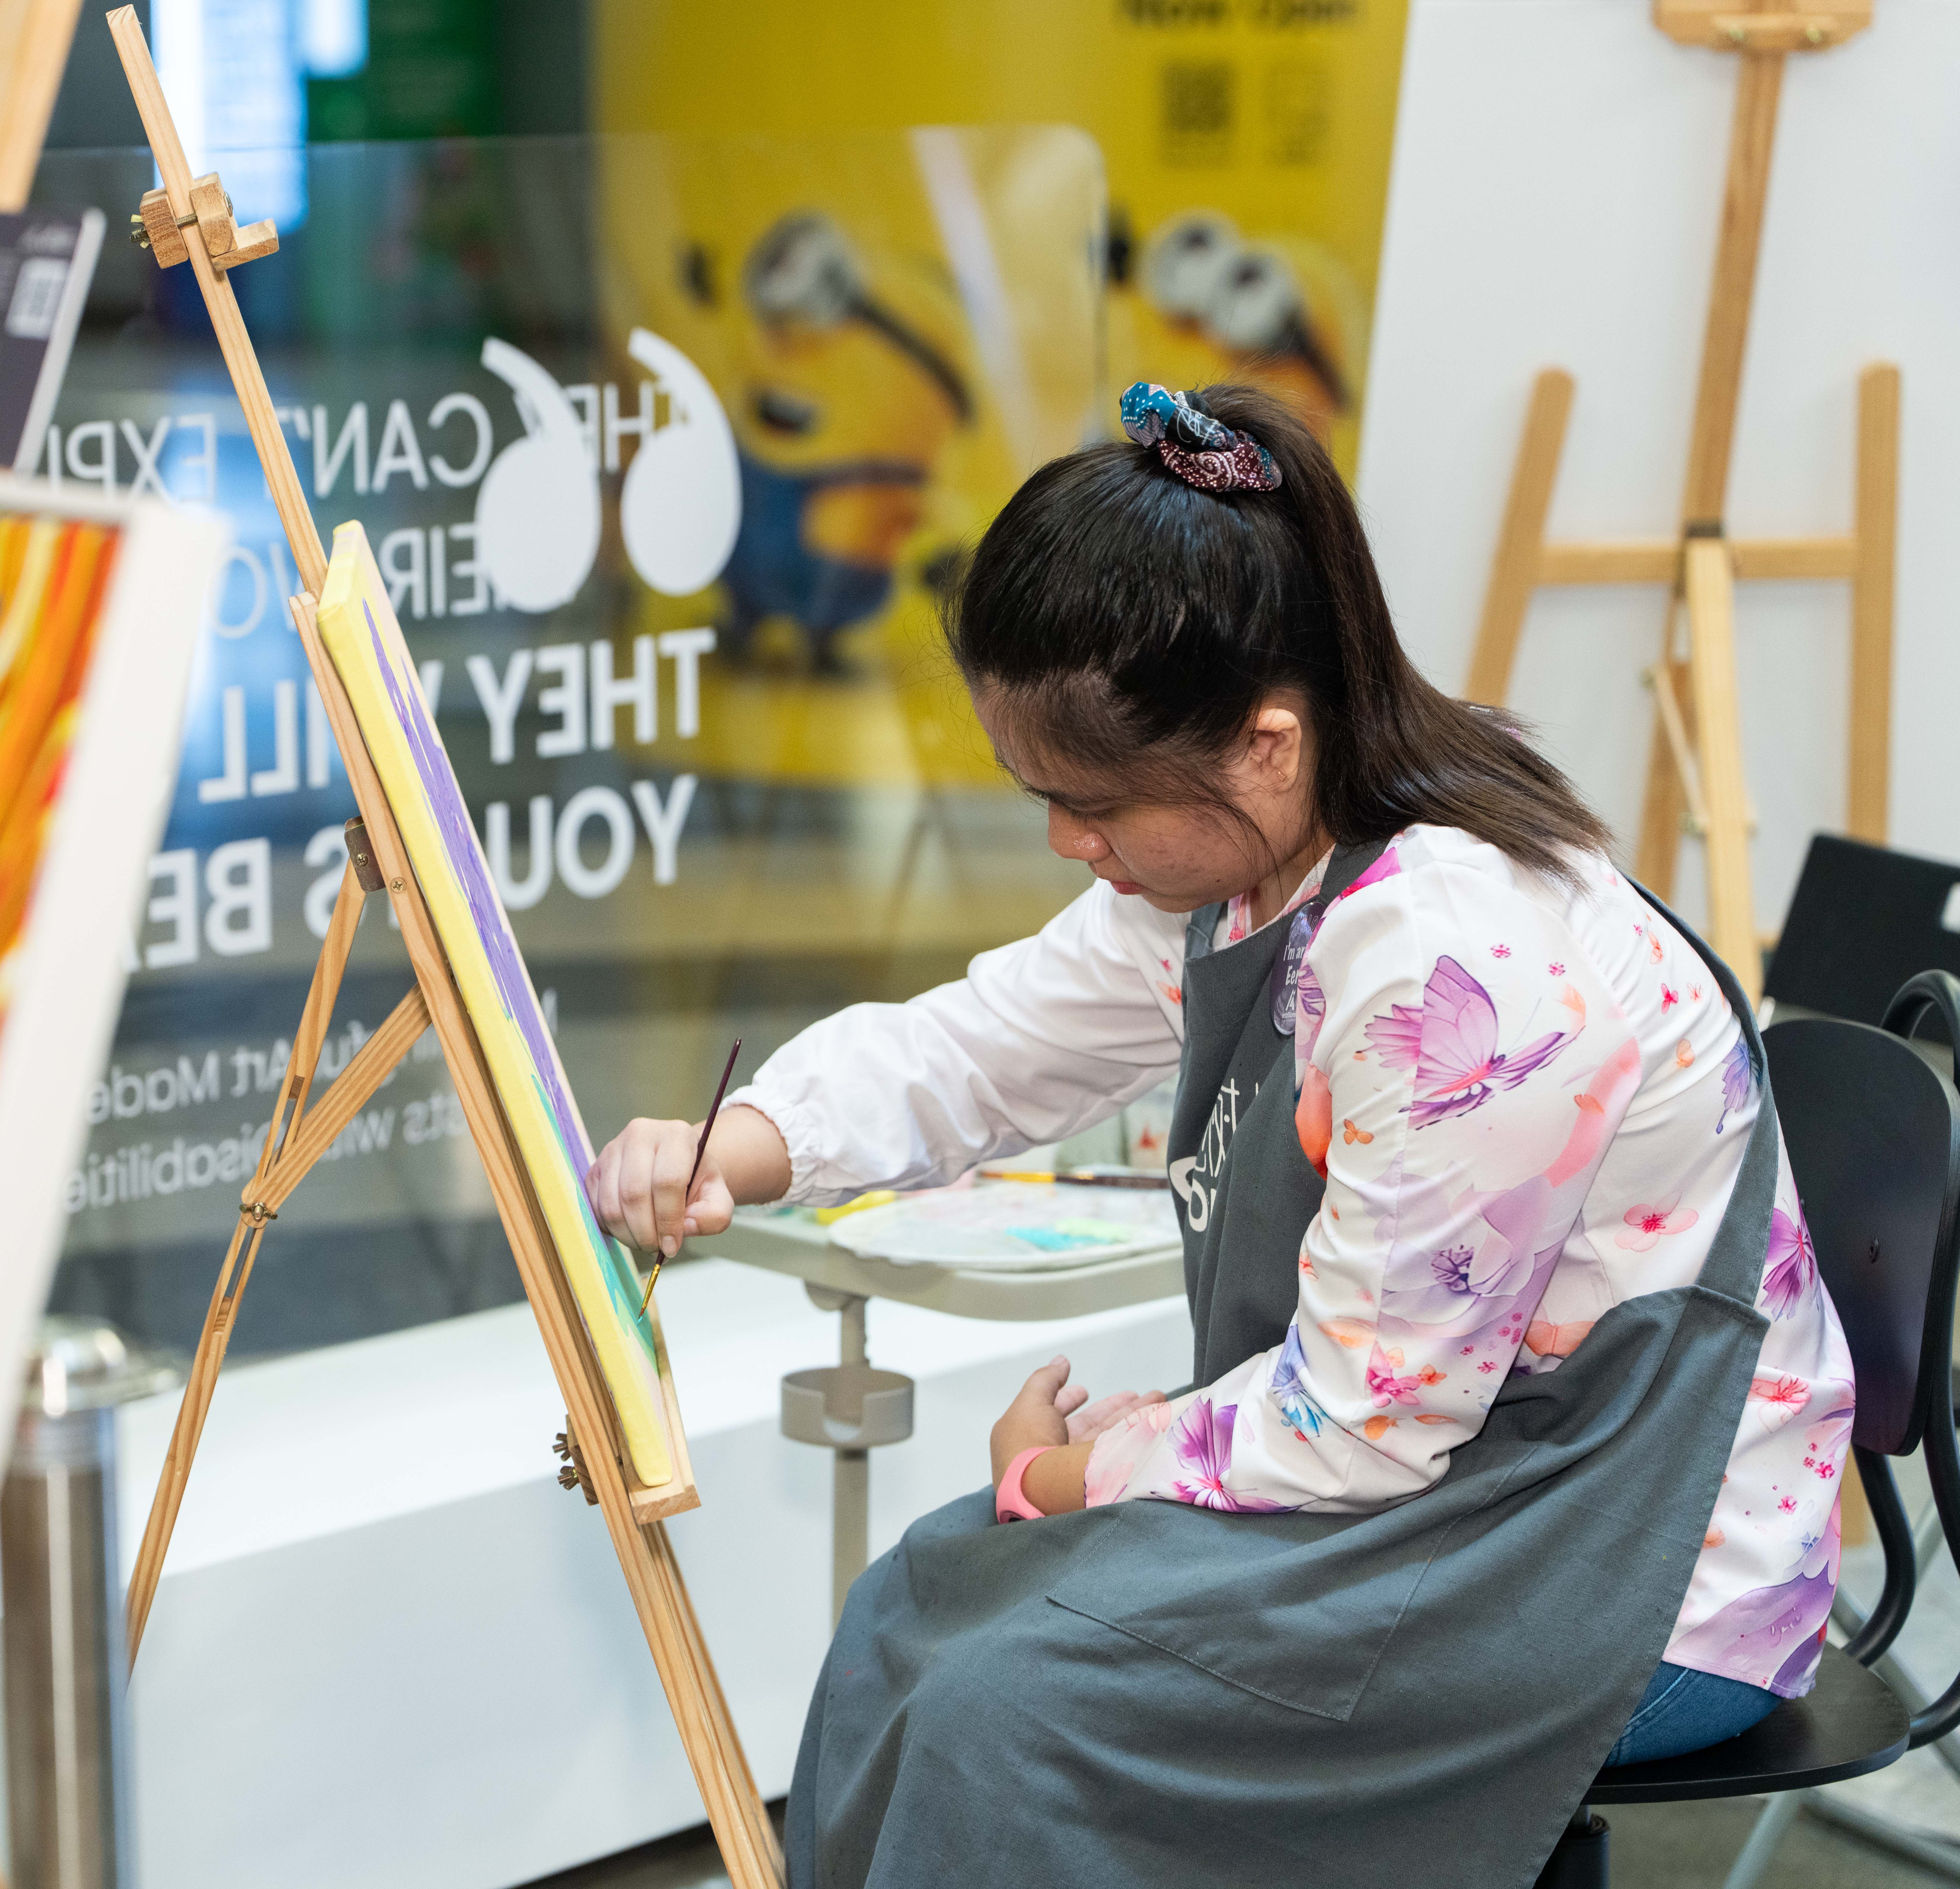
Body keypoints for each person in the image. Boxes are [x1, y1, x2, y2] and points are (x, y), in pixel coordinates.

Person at [588, 384, 1855, 1884]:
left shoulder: (1458, 963)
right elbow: (986, 1044)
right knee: (920, 1602)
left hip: (1642, 1569)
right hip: (1457, 1476)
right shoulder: (1263, 855)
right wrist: (724, 1147)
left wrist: (1074, 1473)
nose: (1070, 844)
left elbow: (1361, 1431)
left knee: (1014, 1709)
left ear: (1259, 743)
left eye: (1088, 804)